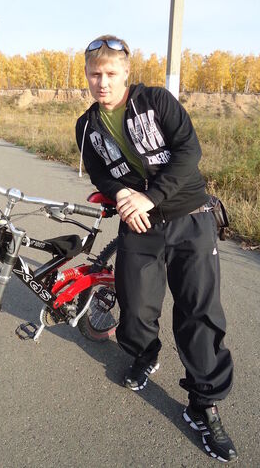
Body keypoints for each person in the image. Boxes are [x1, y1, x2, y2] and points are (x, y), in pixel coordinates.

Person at [76, 35, 237, 463]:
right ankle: (145, 355)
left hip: (189, 217)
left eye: (110, 73)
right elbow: (100, 173)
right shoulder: (87, 126)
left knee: (199, 313)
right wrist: (122, 196)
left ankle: (204, 404)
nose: (102, 82)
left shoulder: (156, 102)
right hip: (138, 224)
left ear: (126, 73)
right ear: (86, 75)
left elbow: (189, 152)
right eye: (95, 74)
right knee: (135, 306)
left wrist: (150, 196)